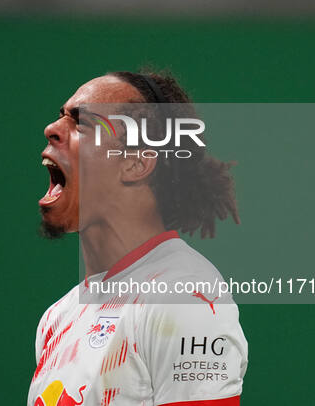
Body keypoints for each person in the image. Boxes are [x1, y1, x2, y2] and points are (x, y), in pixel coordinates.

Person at [29, 70, 248, 406]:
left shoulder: (183, 298)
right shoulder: (57, 318)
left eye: (81, 123)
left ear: (134, 163)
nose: (52, 129)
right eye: (60, 117)